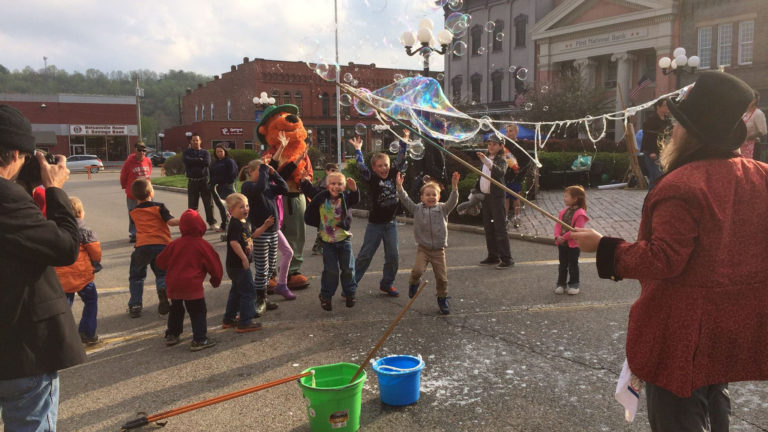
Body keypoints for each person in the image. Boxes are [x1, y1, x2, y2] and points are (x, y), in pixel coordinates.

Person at [571, 72, 768, 431]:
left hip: (681, 334)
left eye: (677, 123)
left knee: (679, 413)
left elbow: (663, 259)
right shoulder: (762, 176)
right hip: (729, 327)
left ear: (690, 132)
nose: (672, 130)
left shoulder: (683, 185)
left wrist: (602, 247)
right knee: (715, 399)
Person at [0, 104, 86, 430]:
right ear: (13, 154)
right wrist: (54, 190)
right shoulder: (6, 198)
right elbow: (64, 247)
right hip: (20, 347)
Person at [349, 132, 407, 297]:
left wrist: (404, 142)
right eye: (380, 166)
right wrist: (358, 150)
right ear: (374, 168)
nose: (384, 168)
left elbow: (401, 158)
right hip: (375, 224)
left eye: (386, 165)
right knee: (365, 255)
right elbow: (361, 167)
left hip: (391, 223)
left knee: (393, 256)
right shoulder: (372, 178)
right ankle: (351, 285)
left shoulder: (394, 173)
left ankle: (387, 283)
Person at [156, 209, 223, 351]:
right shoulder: (203, 245)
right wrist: (215, 281)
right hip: (192, 285)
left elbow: (160, 262)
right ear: (200, 225)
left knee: (176, 309)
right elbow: (214, 265)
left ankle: (172, 334)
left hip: (174, 284)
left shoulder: (175, 244)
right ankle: (199, 339)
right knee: (197, 311)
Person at [396, 171, 460, 314]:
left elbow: (453, 202)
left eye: (434, 195)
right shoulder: (417, 209)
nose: (431, 197)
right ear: (422, 197)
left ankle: (442, 298)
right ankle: (413, 283)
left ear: (438, 197)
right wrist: (400, 187)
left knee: (442, 279)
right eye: (428, 195)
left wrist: (454, 187)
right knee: (417, 271)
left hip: (438, 250)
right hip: (423, 249)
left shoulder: (443, 209)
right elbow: (406, 200)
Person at [304, 171, 360, 311]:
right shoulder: (322, 198)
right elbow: (311, 191)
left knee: (348, 269)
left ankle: (350, 293)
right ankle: (326, 296)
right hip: (327, 242)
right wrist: (304, 181)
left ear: (344, 186)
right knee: (331, 271)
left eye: (340, 184)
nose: (336, 186)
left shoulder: (345, 197)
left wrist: (354, 189)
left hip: (344, 239)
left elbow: (355, 198)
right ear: (327, 186)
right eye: (333, 184)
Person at [239, 159, 289, 316]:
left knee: (271, 266)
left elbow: (284, 188)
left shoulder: (268, 187)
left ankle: (264, 296)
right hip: (261, 233)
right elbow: (259, 186)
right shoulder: (248, 186)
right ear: (251, 172)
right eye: (260, 172)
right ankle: (258, 299)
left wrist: (275, 174)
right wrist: (263, 170)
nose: (264, 176)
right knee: (262, 267)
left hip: (273, 232)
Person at [127, 178, 180, 318]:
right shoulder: (159, 207)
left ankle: (135, 304)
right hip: (161, 244)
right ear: (151, 192)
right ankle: (162, 290)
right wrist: (183, 218)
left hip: (142, 246)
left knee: (136, 276)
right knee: (162, 273)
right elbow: (171, 222)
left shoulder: (133, 212)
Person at [54, 196, 102, 345]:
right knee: (91, 300)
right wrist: (96, 263)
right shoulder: (85, 231)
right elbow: (95, 253)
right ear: (80, 213)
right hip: (82, 275)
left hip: (61, 276)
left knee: (65, 305)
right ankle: (87, 332)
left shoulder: (56, 230)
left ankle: (61, 336)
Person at [222, 193, 263, 333]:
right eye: (241, 207)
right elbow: (233, 242)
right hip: (238, 265)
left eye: (246, 205)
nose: (245, 209)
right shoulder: (235, 224)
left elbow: (252, 235)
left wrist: (264, 226)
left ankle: (229, 319)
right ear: (231, 210)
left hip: (236, 265)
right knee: (248, 292)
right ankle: (245, 322)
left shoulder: (244, 222)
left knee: (237, 291)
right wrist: (244, 258)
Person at [477, 133, 514, 269]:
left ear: (500, 146)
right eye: (489, 144)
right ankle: (493, 255)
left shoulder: (501, 160)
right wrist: (474, 193)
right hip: (486, 198)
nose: (491, 146)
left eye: (494, 144)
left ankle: (507, 258)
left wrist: (486, 161)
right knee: (488, 228)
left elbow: (499, 172)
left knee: (500, 228)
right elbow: (482, 177)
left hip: (496, 198)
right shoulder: (486, 159)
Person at [553, 186, 588, 295]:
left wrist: (565, 237)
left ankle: (574, 284)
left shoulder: (581, 214)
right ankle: (561, 284)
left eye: (566, 196)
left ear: (575, 198)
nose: (564, 198)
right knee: (562, 264)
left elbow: (577, 230)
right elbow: (558, 225)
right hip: (562, 244)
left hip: (573, 244)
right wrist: (557, 236)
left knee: (573, 265)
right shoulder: (563, 212)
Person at [301, 162, 338, 255]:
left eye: (335, 171)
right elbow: (316, 193)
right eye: (332, 170)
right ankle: (318, 248)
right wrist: (305, 182)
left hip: (329, 209)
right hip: (324, 210)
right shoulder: (325, 182)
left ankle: (320, 247)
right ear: (326, 171)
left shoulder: (332, 181)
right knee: (323, 229)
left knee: (325, 228)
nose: (334, 172)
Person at [183, 133, 217, 230]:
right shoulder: (187, 152)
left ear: (200, 141)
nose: (195, 142)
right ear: (191, 141)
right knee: (192, 205)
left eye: (197, 140)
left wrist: (193, 161)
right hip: (192, 181)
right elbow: (186, 161)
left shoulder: (205, 152)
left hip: (204, 181)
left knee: (208, 203)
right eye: (193, 140)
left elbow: (206, 162)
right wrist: (199, 160)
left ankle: (212, 223)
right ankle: (192, 225)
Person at [120, 141, 152, 243]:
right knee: (133, 213)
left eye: (144, 150)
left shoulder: (148, 161)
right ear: (135, 150)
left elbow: (149, 174)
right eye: (139, 150)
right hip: (133, 193)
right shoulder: (129, 162)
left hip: (146, 192)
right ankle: (134, 233)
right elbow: (123, 176)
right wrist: (126, 187)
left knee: (148, 213)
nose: (141, 152)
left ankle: (146, 232)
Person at [640, 100, 672, 189]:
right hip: (652, 153)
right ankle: (652, 198)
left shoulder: (667, 121)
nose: (667, 108)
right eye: (665, 105)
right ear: (658, 107)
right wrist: (651, 152)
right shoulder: (651, 120)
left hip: (662, 152)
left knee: (660, 177)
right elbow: (648, 137)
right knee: (656, 177)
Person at [209, 143, 238, 233]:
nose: (219, 153)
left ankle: (235, 226)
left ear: (225, 151)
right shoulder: (215, 163)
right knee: (221, 208)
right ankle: (224, 225)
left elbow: (232, 175)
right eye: (217, 152)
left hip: (227, 187)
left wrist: (222, 181)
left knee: (230, 208)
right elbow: (211, 175)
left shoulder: (229, 161)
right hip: (217, 189)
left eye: (221, 151)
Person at [503, 124, 523, 228]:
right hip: (506, 175)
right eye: (507, 131)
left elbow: (524, 160)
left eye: (511, 131)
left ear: (516, 132)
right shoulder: (505, 145)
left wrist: (519, 170)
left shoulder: (520, 145)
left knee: (515, 198)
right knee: (505, 198)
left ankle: (516, 217)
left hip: (516, 176)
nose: (508, 133)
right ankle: (505, 217)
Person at [741, 91, 767, 160]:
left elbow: (762, 131)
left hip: (753, 146)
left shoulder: (758, 113)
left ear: (755, 100)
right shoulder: (744, 114)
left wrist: (748, 138)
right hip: (742, 146)